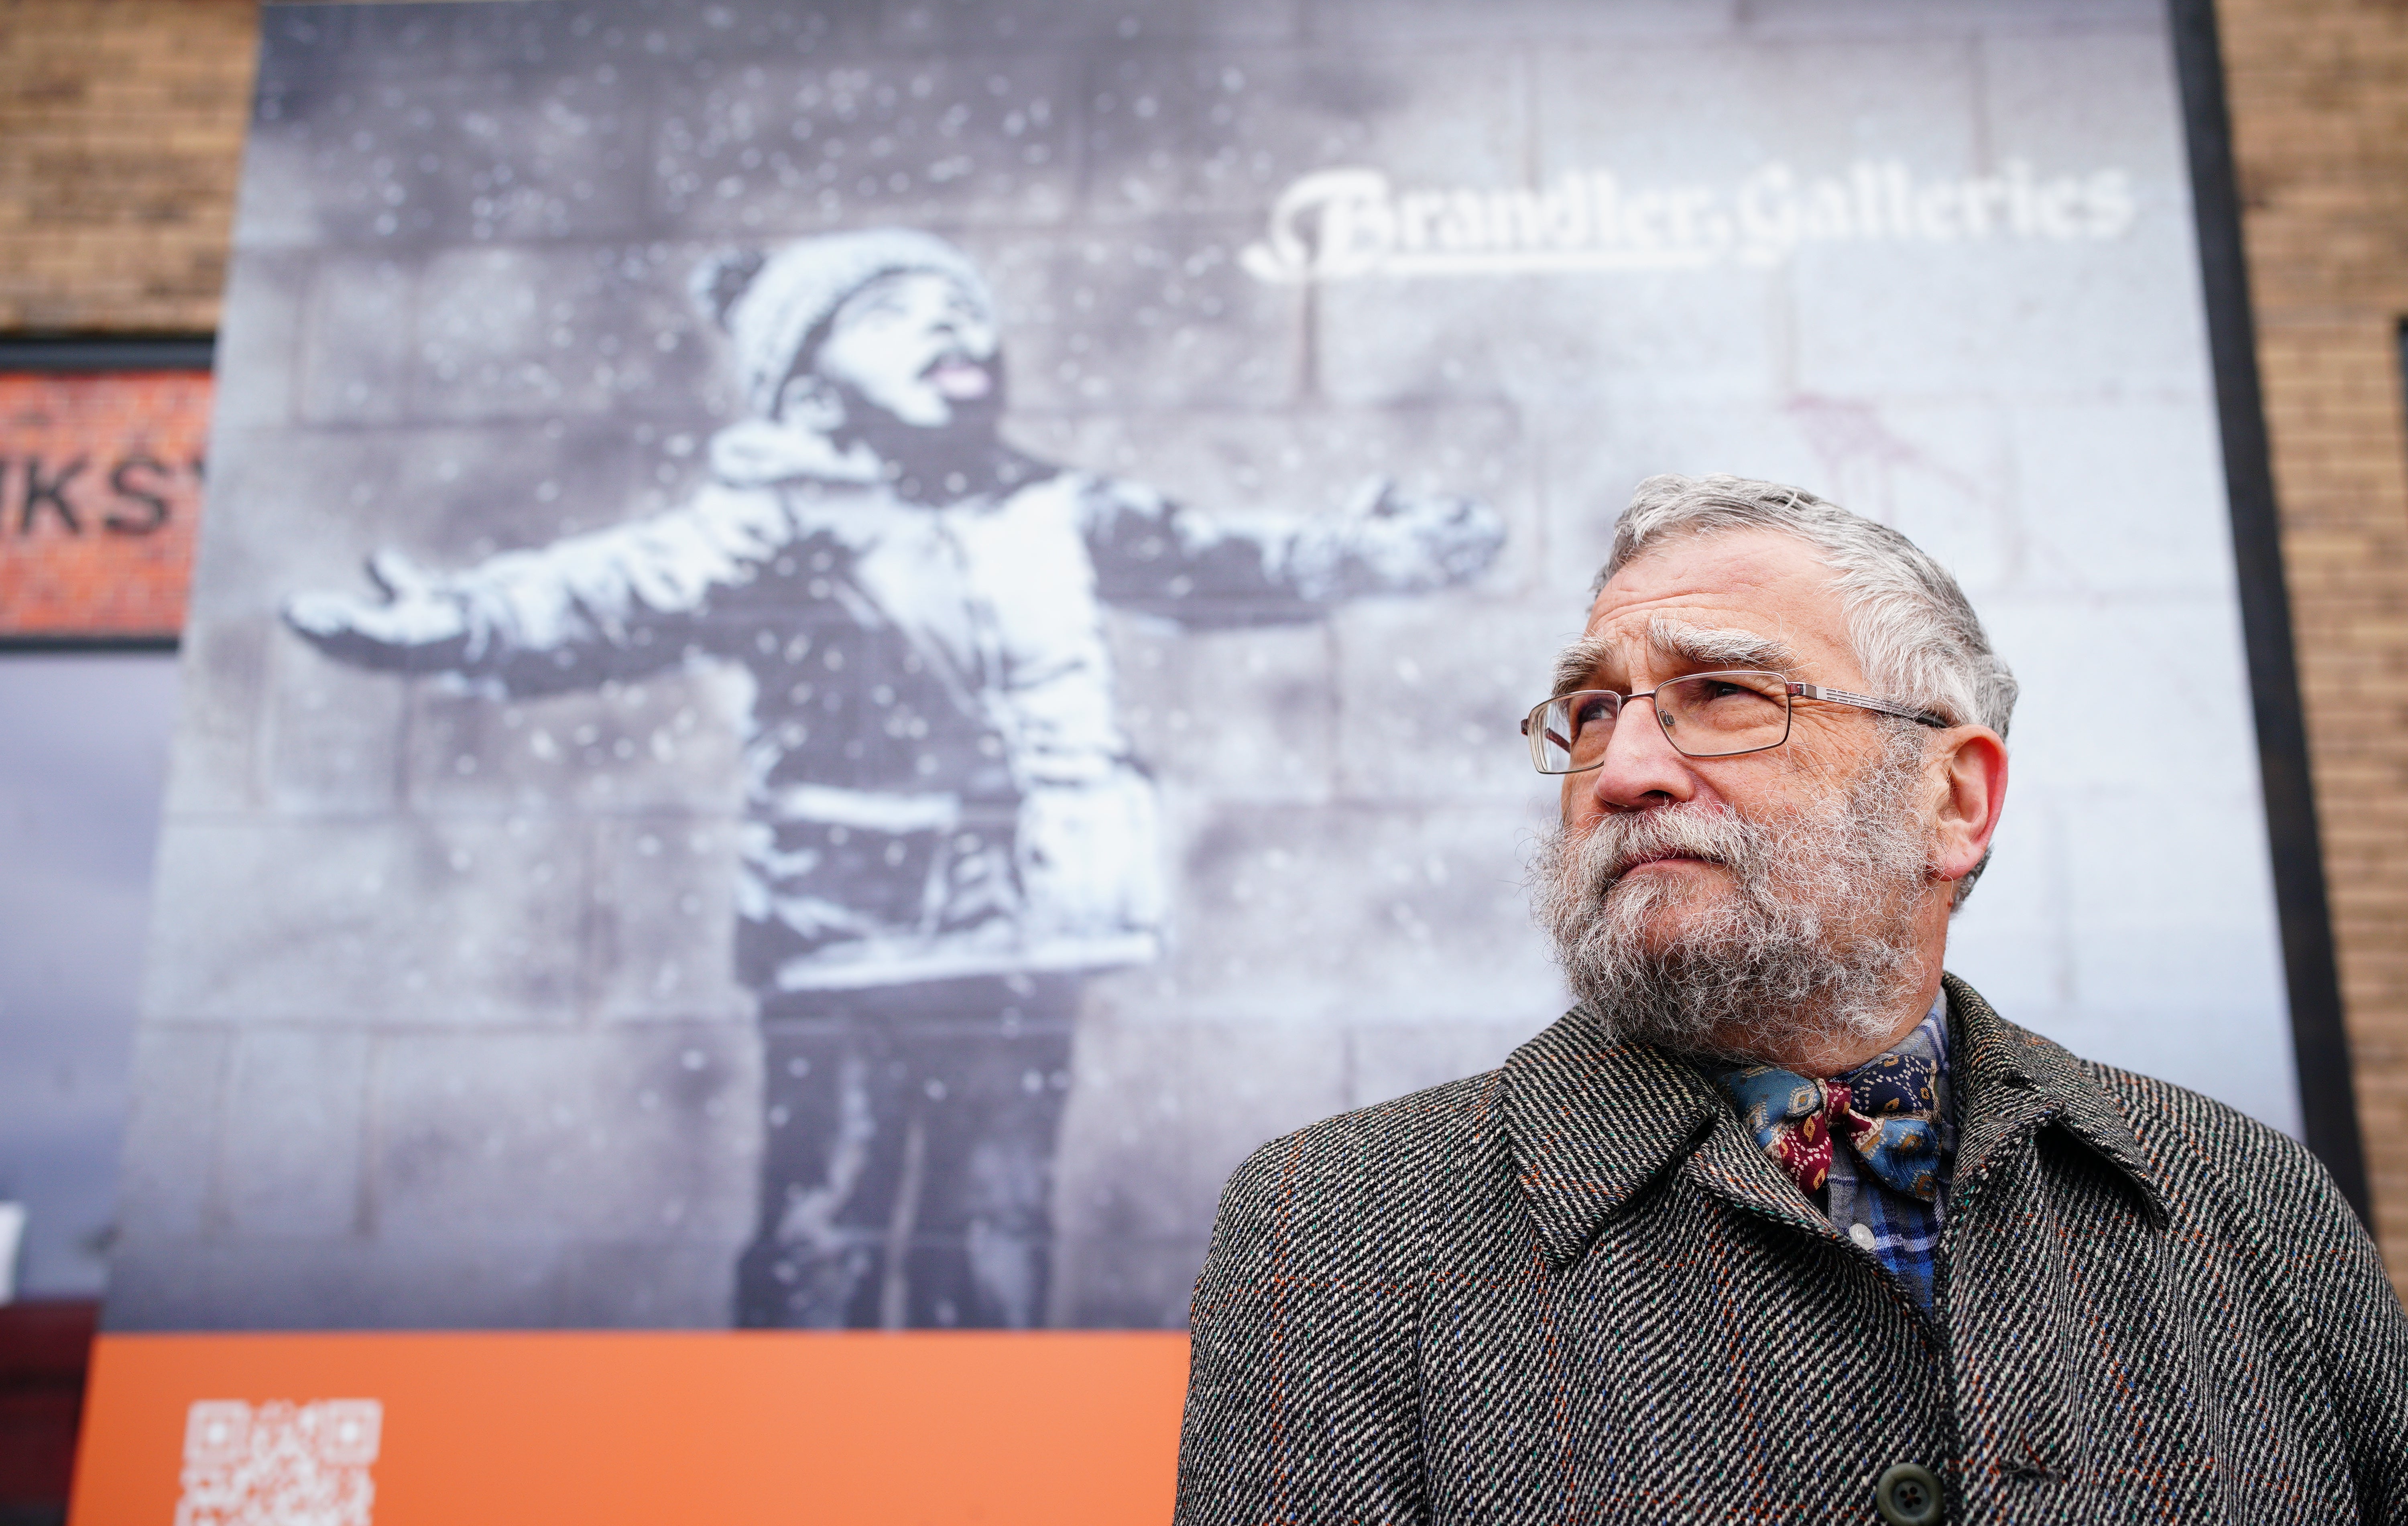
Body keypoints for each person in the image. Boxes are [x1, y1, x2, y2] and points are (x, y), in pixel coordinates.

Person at [284, 228, 1503, 1331]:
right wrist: (459, 622)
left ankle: (986, 1456)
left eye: (962, 311)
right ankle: (802, 1455)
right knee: (830, 1213)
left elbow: (1216, 560)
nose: (951, 330)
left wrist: (1371, 552)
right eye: (894, 314)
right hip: (850, 928)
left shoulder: (1048, 505)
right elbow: (621, 589)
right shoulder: (777, 512)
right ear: (808, 378)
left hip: (1030, 925)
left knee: (998, 1211)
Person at [1177, 474, 2406, 1523]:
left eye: (1724, 695)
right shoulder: (1337, 1230)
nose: (1626, 770)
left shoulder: (2249, 1199)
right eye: (1594, 712)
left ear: (1954, 802)